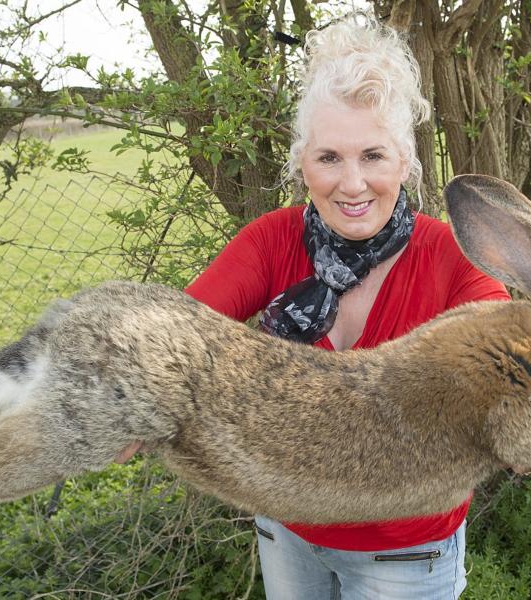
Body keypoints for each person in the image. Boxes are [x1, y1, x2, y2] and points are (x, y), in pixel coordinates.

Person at [180, 16, 510, 600]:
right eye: (329, 157)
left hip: (406, 552)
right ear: (301, 162)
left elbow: (508, 373)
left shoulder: (453, 259)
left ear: (404, 162)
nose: (352, 184)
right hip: (286, 526)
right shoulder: (270, 241)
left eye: (373, 156)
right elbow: (170, 338)